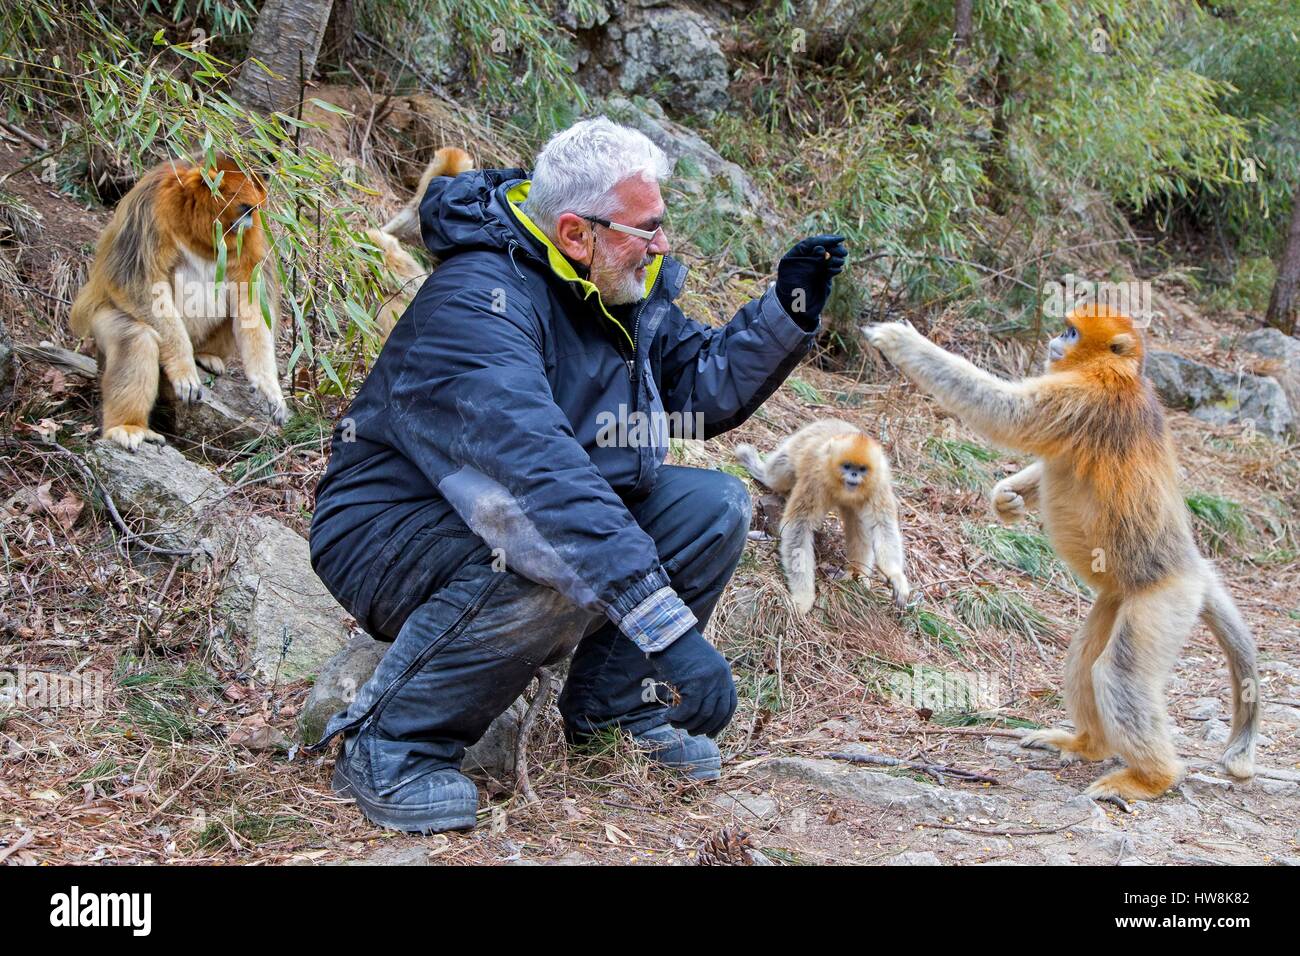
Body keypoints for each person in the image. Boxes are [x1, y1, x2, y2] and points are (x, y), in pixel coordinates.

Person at [306, 117, 847, 833]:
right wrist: (674, 636)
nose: (662, 245)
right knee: (550, 560)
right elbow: (541, 486)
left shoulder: (609, 280)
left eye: (661, 224)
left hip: (514, 508)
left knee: (711, 506)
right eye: (646, 228)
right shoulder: (477, 303)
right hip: (388, 528)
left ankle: (614, 712)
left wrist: (789, 308)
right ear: (573, 231)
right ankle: (391, 744)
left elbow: (693, 391)